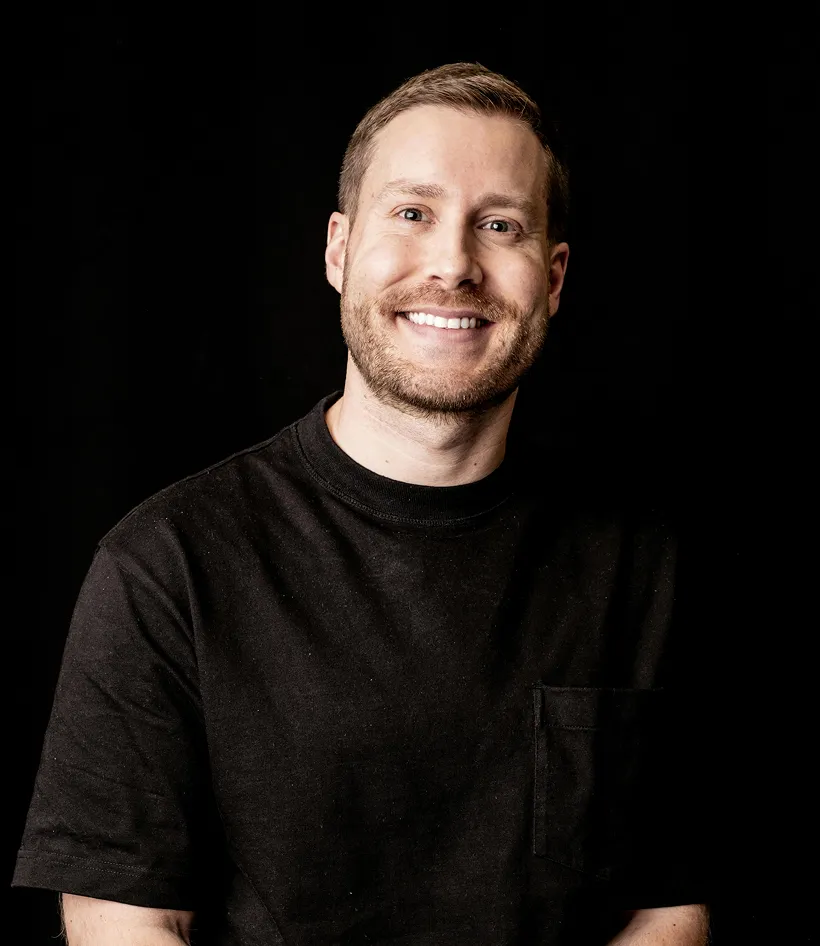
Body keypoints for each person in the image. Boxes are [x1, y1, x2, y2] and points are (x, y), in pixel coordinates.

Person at [13, 63, 711, 944]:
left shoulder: (640, 564)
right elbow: (126, 926)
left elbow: (673, 902)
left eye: (499, 225)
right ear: (339, 250)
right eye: (412, 213)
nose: (454, 265)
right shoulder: (167, 564)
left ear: (556, 276)